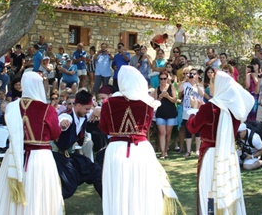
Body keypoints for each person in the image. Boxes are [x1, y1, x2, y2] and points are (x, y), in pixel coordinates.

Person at [99, 66, 182, 214]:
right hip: (141, 150)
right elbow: (148, 125)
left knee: (119, 187)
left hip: (116, 150)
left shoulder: (109, 103)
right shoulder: (147, 103)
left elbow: (104, 128)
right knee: (142, 188)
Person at [0, 72, 63, 215]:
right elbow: (55, 134)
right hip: (40, 158)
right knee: (37, 195)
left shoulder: (11, 107)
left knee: (11, 199)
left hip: (15, 156)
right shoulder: (47, 109)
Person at [187, 71, 254, 214]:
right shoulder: (235, 109)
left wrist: (194, 110)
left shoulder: (208, 107)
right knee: (226, 187)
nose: (209, 85)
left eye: (211, 82)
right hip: (229, 154)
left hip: (211, 155)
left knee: (211, 189)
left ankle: (211, 212)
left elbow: (193, 127)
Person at [53, 90, 102, 199]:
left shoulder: (83, 114)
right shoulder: (68, 116)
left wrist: (96, 111)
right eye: (87, 109)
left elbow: (99, 110)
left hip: (68, 155)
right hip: (56, 156)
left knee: (95, 171)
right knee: (68, 185)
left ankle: (108, 204)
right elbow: (63, 120)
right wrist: (63, 124)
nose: (88, 111)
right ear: (78, 105)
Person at [152, 71, 178, 159]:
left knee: (168, 133)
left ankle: (166, 149)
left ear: (167, 79)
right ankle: (163, 153)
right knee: (162, 132)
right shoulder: (157, 89)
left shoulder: (171, 87)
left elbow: (175, 100)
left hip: (171, 113)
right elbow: (155, 102)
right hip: (160, 113)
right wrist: (160, 97)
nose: (163, 80)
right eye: (161, 79)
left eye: (165, 78)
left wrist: (167, 96)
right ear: (159, 79)